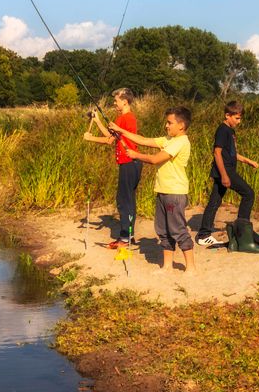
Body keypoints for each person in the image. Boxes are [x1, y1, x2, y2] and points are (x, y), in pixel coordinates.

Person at [110, 107, 194, 273]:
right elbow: (143, 140)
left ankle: (191, 267)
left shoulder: (181, 142)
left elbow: (155, 159)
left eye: (170, 123)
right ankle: (167, 266)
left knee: (178, 230)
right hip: (162, 191)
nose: (166, 126)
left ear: (181, 125)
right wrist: (120, 130)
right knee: (163, 231)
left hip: (175, 193)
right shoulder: (168, 139)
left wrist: (135, 155)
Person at [195, 101, 259, 249]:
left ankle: (204, 235)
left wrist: (248, 161)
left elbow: (231, 153)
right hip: (225, 171)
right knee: (248, 194)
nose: (239, 121)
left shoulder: (230, 131)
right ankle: (242, 230)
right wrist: (224, 175)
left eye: (240, 118)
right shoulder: (223, 130)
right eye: (237, 118)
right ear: (227, 115)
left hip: (227, 170)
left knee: (214, 202)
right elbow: (217, 153)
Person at [83, 88, 140, 249]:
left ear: (125, 101)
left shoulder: (124, 118)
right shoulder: (127, 118)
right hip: (132, 163)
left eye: (116, 100)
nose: (114, 103)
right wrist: (98, 120)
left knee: (123, 202)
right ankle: (129, 234)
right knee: (129, 200)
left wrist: (90, 138)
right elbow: (112, 136)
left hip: (128, 163)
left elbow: (108, 140)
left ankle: (124, 238)